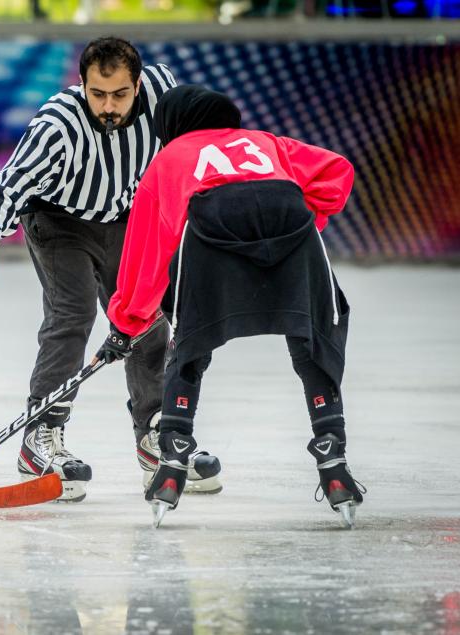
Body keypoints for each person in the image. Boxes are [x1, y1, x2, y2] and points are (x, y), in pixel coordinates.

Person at [0, 37, 222, 502]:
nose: (108, 106)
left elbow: (198, 143)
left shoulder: (164, 91)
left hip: (124, 219)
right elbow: (12, 180)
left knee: (145, 319)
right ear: (82, 84)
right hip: (58, 221)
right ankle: (40, 438)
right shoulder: (58, 122)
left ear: (137, 84)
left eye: (119, 94)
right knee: (72, 314)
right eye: (97, 94)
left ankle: (156, 434)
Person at [97, 85, 364, 527]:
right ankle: (333, 456)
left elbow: (147, 254)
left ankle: (173, 456)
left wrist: (126, 324)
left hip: (211, 233)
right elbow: (337, 171)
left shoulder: (168, 161)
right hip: (288, 225)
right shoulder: (267, 142)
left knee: (189, 341)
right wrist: (306, 217)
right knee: (314, 334)